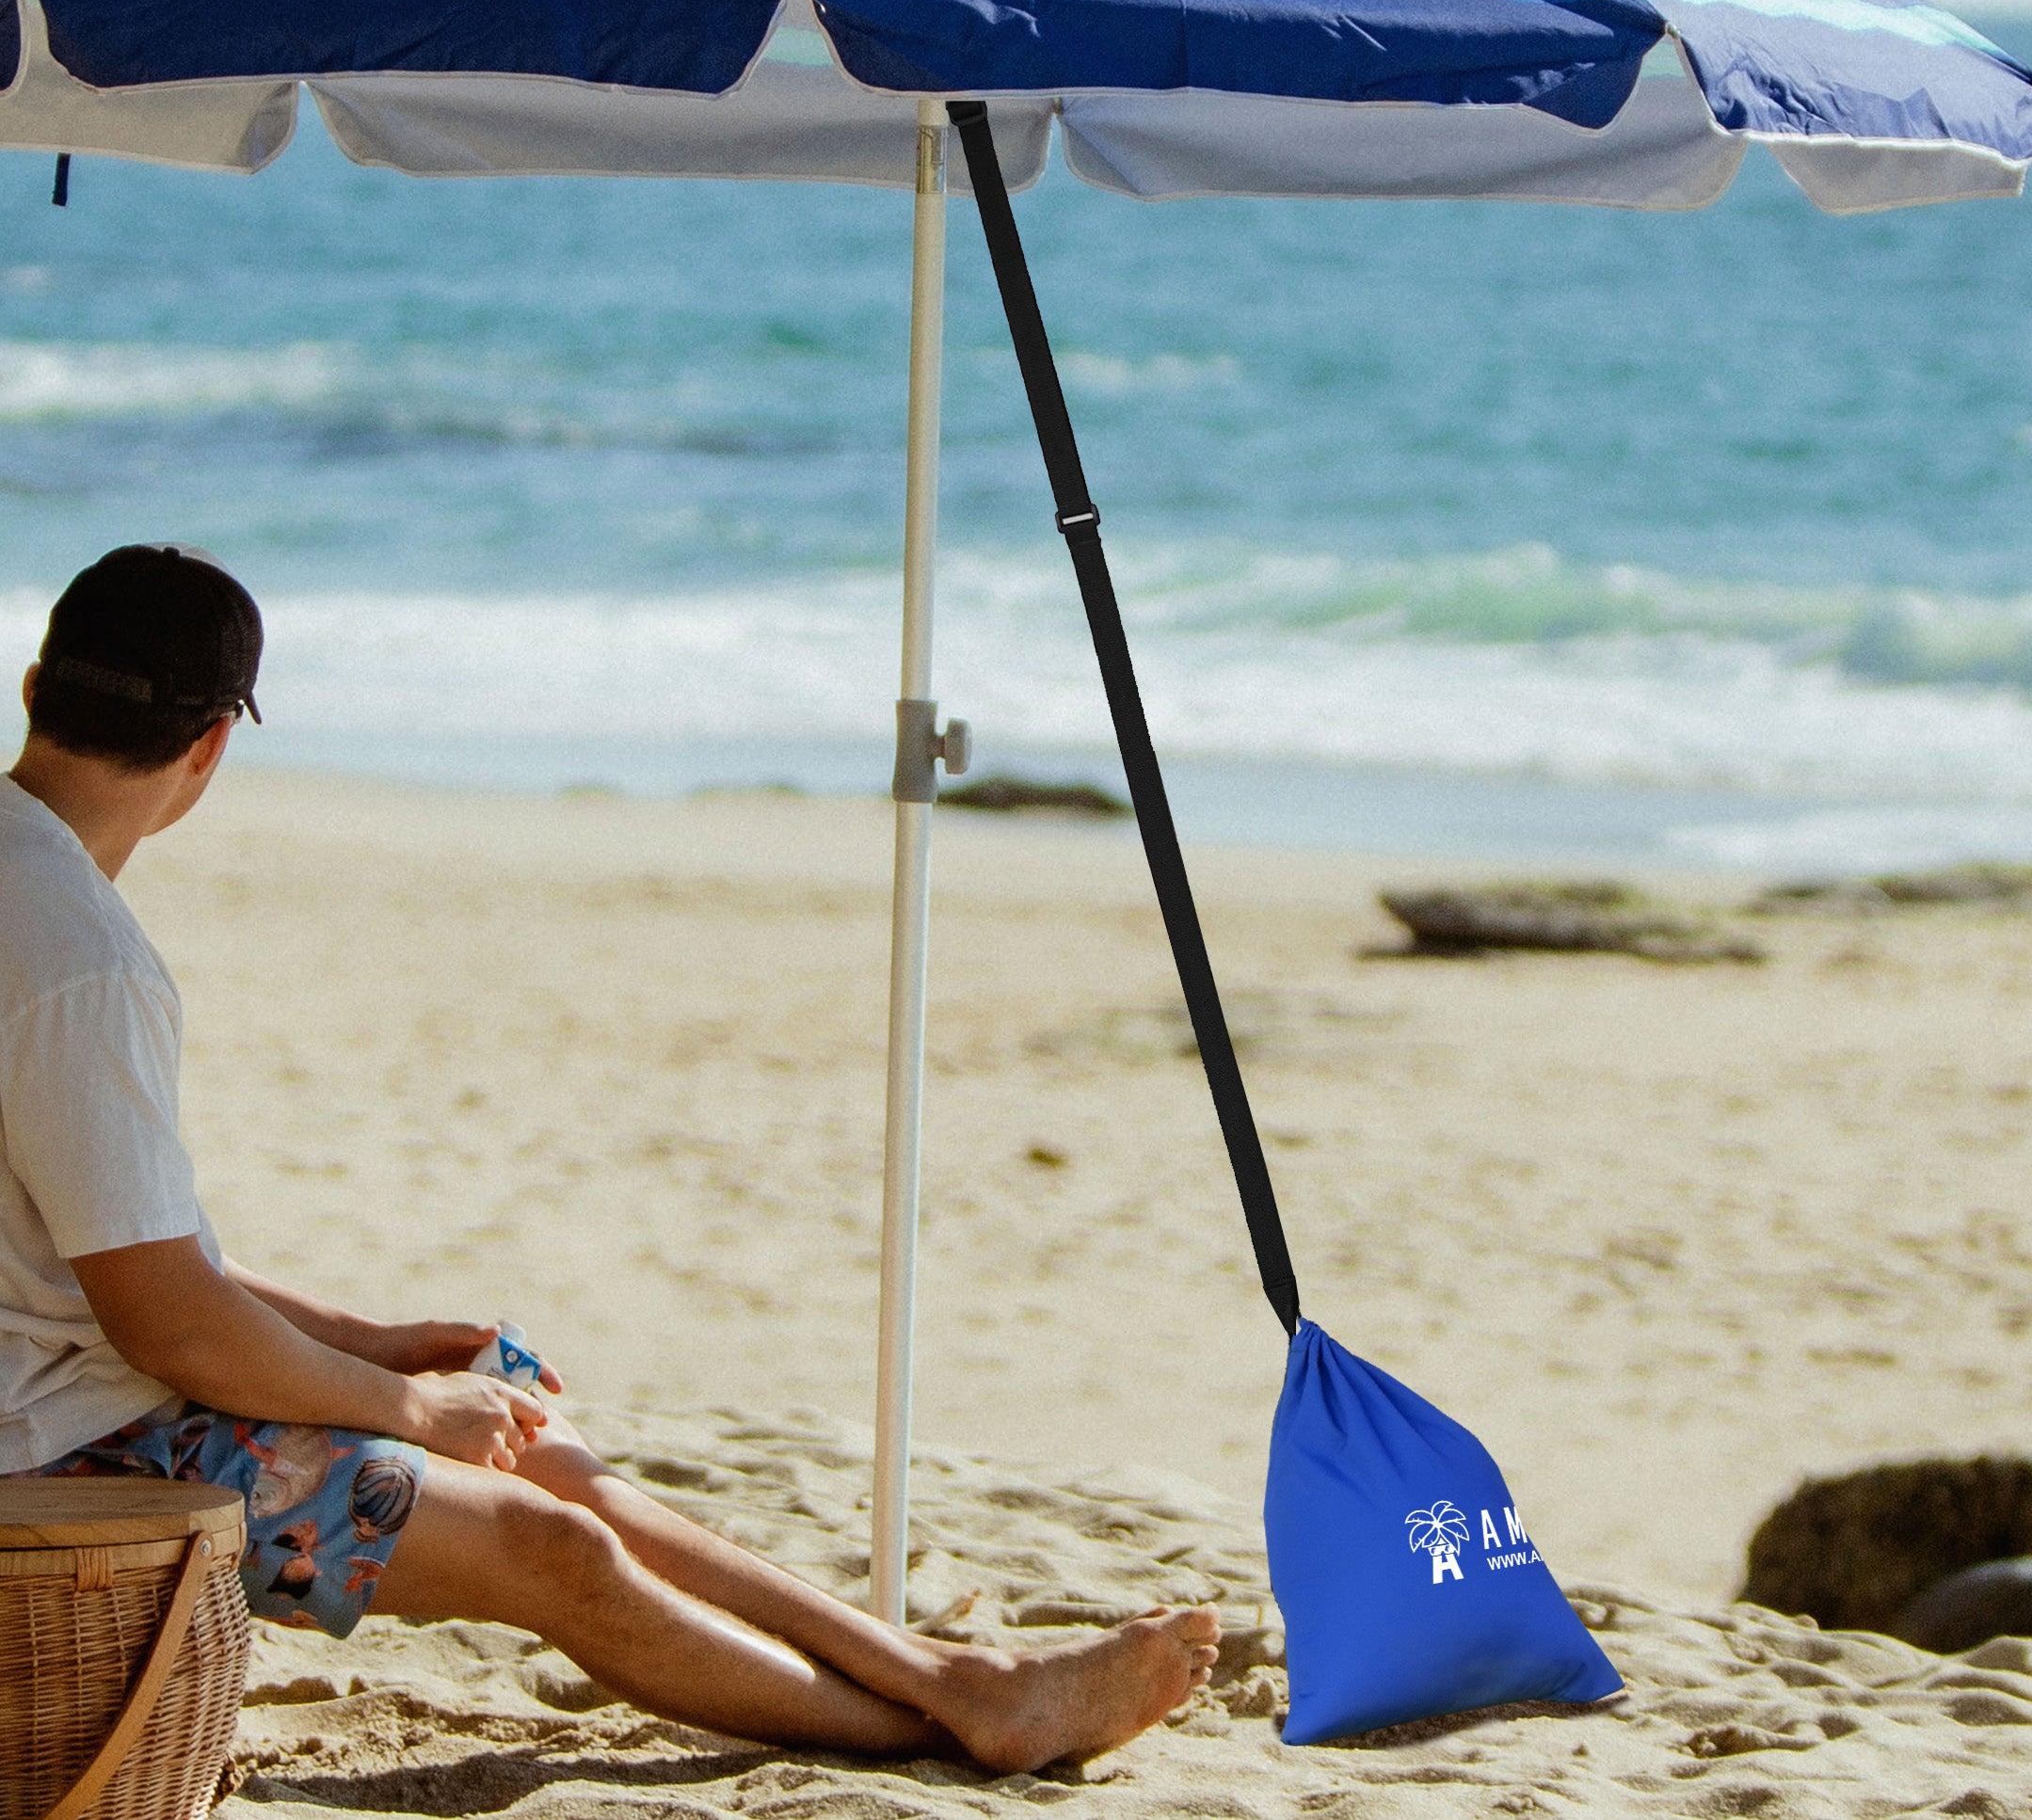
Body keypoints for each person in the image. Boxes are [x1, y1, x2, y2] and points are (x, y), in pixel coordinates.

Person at [0, 544, 1217, 1770]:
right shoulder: (81, 963)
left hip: (73, 1386)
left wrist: (370, 1343)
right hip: (64, 1450)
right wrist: (408, 1404)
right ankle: (948, 1724)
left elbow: (105, 1255)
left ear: (38, 686)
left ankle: (947, 1675)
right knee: (552, 1548)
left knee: (525, 1427)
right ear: (211, 747)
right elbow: (170, 1325)